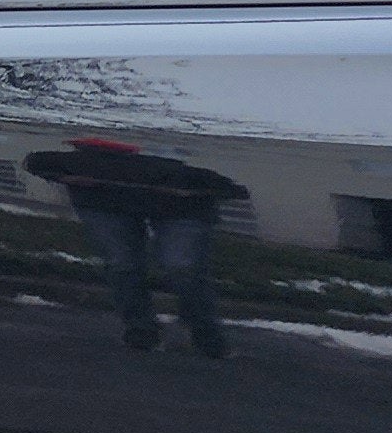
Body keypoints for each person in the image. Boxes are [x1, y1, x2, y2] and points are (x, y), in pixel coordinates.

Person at [22, 136, 241, 357]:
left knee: (181, 266)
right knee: (122, 263)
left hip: (180, 204)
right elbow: (37, 163)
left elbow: (224, 187)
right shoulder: (84, 164)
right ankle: (142, 330)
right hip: (105, 199)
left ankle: (204, 331)